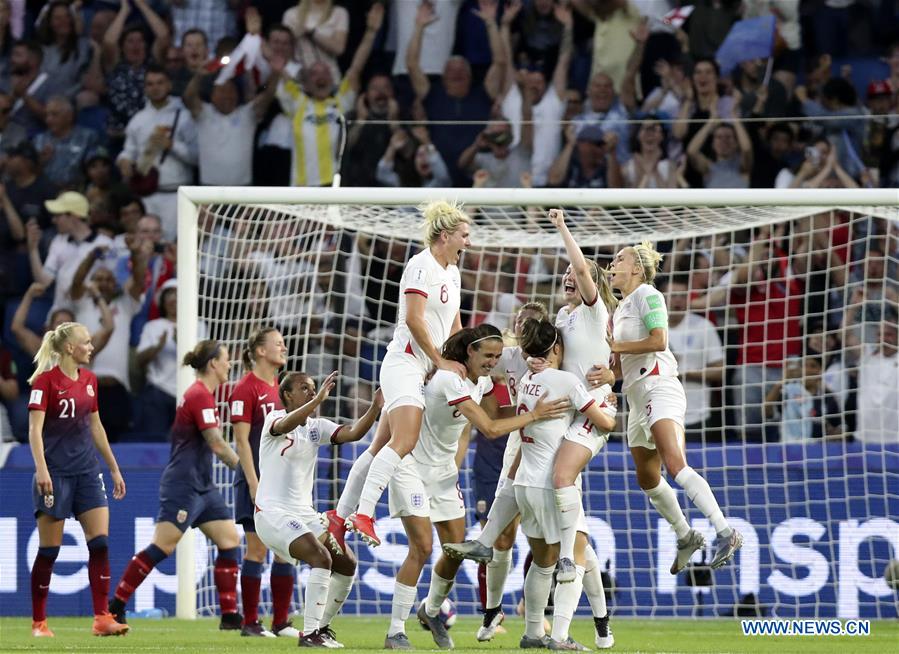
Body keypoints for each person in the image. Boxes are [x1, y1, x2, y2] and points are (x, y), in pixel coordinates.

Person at [387, 324, 570, 649]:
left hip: (444, 474)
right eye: (487, 355)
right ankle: (395, 631)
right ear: (469, 351)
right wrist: (535, 415)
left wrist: (541, 409)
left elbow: (498, 412)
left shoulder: (483, 382)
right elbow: (490, 428)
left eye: (497, 357)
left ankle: (430, 611)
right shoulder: (447, 379)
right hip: (412, 467)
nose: (492, 362)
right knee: (423, 548)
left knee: (455, 551)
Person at [325, 200, 471, 550]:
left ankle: (338, 516)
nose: (469, 242)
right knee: (404, 442)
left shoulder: (453, 272)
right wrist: (439, 360)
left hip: (421, 370)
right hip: (404, 363)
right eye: (464, 235)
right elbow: (414, 319)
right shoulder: (420, 265)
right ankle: (363, 514)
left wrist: (459, 358)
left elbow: (454, 324)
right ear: (445, 235)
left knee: (378, 447)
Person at [607, 241, 742, 573]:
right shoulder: (621, 307)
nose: (613, 263)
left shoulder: (649, 295)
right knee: (647, 476)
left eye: (620, 258)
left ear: (637, 269)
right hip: (637, 398)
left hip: (660, 387)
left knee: (675, 463)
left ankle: (725, 531)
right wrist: (606, 378)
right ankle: (685, 535)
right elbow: (625, 362)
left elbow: (659, 341)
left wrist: (614, 345)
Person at [488, 318, 616, 650]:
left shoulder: (527, 379)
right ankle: (560, 636)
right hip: (552, 484)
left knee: (543, 561)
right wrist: (607, 404)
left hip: (525, 484)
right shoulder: (567, 380)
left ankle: (534, 633)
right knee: (576, 556)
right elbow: (605, 423)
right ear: (558, 348)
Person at [108, 340, 243, 630]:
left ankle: (230, 616)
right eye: (226, 359)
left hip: (203, 485)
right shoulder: (198, 395)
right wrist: (246, 471)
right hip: (183, 485)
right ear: (213, 364)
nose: (229, 365)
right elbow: (217, 445)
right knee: (163, 546)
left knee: (229, 539)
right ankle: (115, 605)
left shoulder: (203, 395)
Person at [256, 371, 382, 647]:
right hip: (272, 513)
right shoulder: (273, 419)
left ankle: (322, 628)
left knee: (347, 564)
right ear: (287, 395)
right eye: (305, 388)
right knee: (321, 558)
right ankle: (310, 634)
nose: (312, 392)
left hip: (304, 514)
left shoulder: (316, 427)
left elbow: (353, 432)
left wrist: (375, 407)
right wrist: (316, 402)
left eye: (314, 389)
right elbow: (287, 423)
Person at [27, 322, 129, 637]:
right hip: (55, 474)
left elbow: (96, 427)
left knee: (99, 544)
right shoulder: (45, 382)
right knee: (49, 551)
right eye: (86, 342)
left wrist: (112, 466)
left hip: (88, 472)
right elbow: (34, 430)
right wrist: (41, 469)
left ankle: (102, 619)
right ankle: (39, 623)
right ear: (70, 348)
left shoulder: (90, 380)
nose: (91, 347)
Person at [275, 2, 383, 187]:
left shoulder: (341, 101)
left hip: (335, 189)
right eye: (315, 73)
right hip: (303, 191)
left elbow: (355, 69)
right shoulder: (297, 102)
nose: (322, 76)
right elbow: (278, 66)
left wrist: (371, 33)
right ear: (307, 82)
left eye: (326, 72)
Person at [228, 328, 292, 638]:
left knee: (284, 550)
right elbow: (241, 441)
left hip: (280, 483)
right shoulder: (245, 388)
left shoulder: (280, 388)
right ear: (261, 351)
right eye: (277, 343)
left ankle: (281, 622)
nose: (284, 347)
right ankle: (250, 623)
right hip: (256, 480)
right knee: (256, 550)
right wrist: (254, 483)